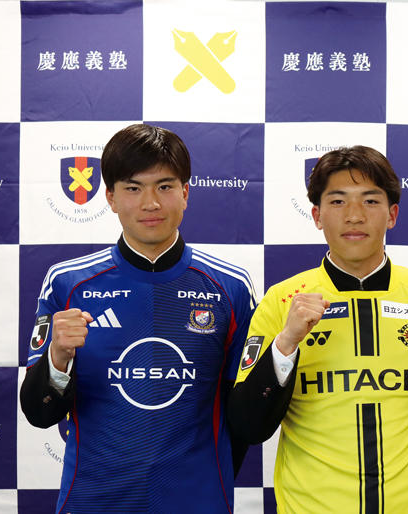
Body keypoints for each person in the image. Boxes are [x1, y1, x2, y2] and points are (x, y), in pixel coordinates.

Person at [228, 146, 408, 513]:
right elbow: (248, 426)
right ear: (317, 216)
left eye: (370, 201)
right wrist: (286, 343)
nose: (355, 215)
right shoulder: (282, 301)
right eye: (338, 201)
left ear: (392, 215)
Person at [20, 124, 256, 514]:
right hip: (93, 501)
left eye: (165, 186)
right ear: (110, 197)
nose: (150, 203)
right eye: (133, 188)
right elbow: (38, 412)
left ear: (186, 193)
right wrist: (57, 358)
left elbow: (245, 419)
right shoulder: (68, 282)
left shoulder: (230, 285)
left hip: (198, 502)